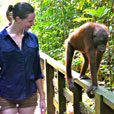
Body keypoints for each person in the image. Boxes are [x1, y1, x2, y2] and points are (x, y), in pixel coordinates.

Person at [0, 2, 46, 114]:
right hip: (6, 93)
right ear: (18, 19)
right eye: (30, 21)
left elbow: (36, 70)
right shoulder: (1, 39)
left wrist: (43, 98)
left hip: (29, 93)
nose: (33, 24)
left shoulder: (33, 39)